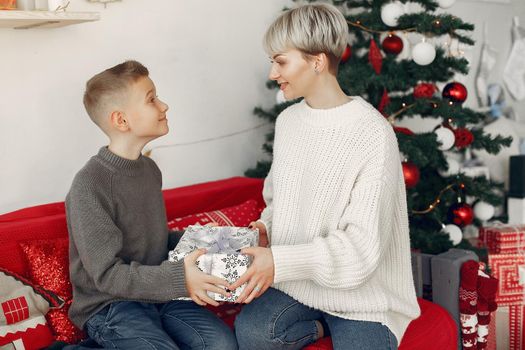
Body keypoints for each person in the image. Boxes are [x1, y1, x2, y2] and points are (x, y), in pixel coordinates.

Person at [231, 4, 420, 350]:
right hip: (300, 283)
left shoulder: (372, 133)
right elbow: (279, 202)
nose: (273, 73)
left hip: (364, 295)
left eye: (281, 61)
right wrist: (263, 229)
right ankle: (319, 327)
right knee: (253, 331)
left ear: (316, 61)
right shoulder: (288, 122)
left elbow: (362, 251)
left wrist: (278, 261)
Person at [65, 60, 237, 350]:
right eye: (152, 99)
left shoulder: (148, 170)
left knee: (222, 345)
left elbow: (154, 241)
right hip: (110, 304)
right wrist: (181, 278)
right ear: (121, 121)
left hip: (158, 292)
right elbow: (107, 275)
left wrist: (208, 240)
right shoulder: (89, 185)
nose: (164, 105)